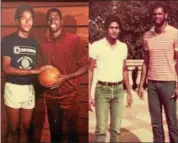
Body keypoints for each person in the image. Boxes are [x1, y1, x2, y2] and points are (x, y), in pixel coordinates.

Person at [39, 8, 88, 143]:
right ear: (47, 22)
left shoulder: (73, 40)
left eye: (55, 17)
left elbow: (86, 65)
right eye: (49, 18)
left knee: (72, 135)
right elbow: (41, 70)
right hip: (51, 97)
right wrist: (44, 78)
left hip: (70, 96)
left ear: (61, 21)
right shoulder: (43, 45)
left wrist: (65, 77)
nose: (52, 20)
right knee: (56, 136)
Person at [1, 4, 48, 143]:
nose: (28, 22)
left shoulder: (34, 43)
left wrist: (46, 70)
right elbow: (6, 68)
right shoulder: (8, 41)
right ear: (17, 21)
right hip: (13, 87)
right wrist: (33, 71)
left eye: (30, 18)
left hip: (29, 88)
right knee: (13, 128)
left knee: (25, 127)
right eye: (23, 18)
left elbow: (35, 67)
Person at [138, 3, 178, 143]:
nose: (157, 16)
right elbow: (146, 62)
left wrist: (177, 85)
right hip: (152, 85)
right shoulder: (147, 36)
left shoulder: (175, 33)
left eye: (159, 13)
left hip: (169, 83)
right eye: (154, 14)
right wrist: (141, 84)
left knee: (172, 123)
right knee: (156, 124)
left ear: (166, 15)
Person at [89, 15, 132, 142]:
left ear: (120, 30)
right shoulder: (97, 46)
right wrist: (88, 95)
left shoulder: (123, 47)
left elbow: (124, 70)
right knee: (101, 131)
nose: (114, 30)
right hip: (102, 90)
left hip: (118, 91)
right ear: (106, 29)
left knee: (116, 130)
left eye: (117, 28)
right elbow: (90, 69)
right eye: (111, 27)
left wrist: (129, 92)